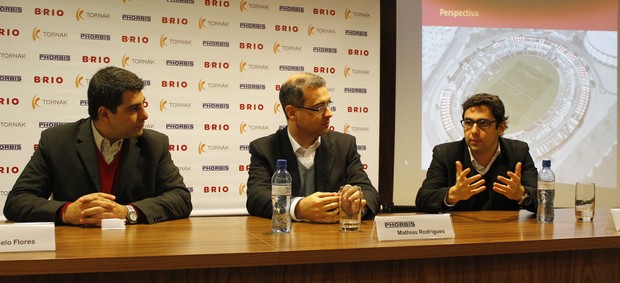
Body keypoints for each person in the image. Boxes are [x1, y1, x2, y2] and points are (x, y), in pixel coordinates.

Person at [3, 66, 192, 226]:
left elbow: (180, 198)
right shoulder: (56, 141)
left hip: (136, 252)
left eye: (143, 105)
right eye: (134, 108)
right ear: (104, 115)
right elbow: (17, 202)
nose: (145, 115)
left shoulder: (154, 144)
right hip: (75, 253)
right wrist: (66, 211)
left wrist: (128, 212)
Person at [246, 72, 380, 223]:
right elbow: (256, 198)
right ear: (292, 113)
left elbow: (370, 194)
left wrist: (357, 205)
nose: (329, 113)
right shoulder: (264, 149)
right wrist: (298, 208)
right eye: (318, 108)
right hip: (285, 241)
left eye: (328, 104)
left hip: (333, 240)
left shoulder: (344, 145)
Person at [416, 93, 537, 213]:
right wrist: (451, 195)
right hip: (460, 230)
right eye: (468, 122)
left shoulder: (518, 152)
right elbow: (423, 200)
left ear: (501, 127)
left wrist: (521, 194)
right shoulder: (445, 154)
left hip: (504, 230)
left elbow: (543, 199)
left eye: (483, 123)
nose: (474, 131)